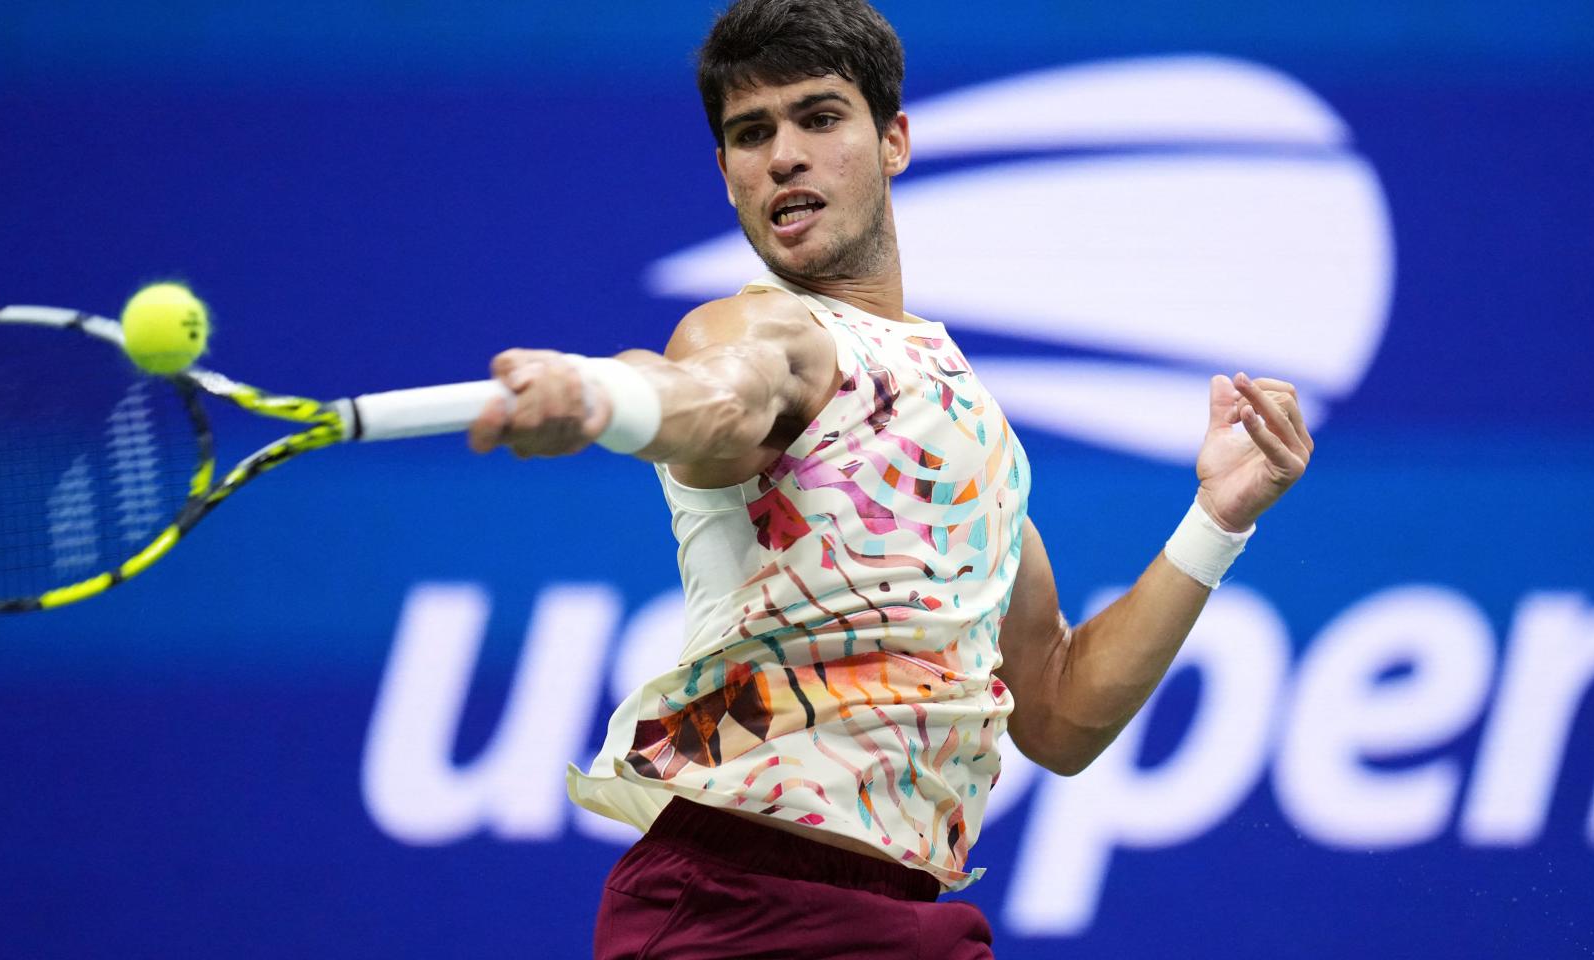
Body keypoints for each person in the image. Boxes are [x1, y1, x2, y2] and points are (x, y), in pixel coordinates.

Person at [467, 0, 1313, 955]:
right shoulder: (759, 331)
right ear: (727, 176)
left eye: (818, 118)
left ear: (894, 140)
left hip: (910, 916)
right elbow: (718, 393)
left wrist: (1216, 519)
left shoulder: (970, 425)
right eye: (752, 135)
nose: (784, 155)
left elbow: (1060, 711)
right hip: (738, 902)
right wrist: (603, 398)